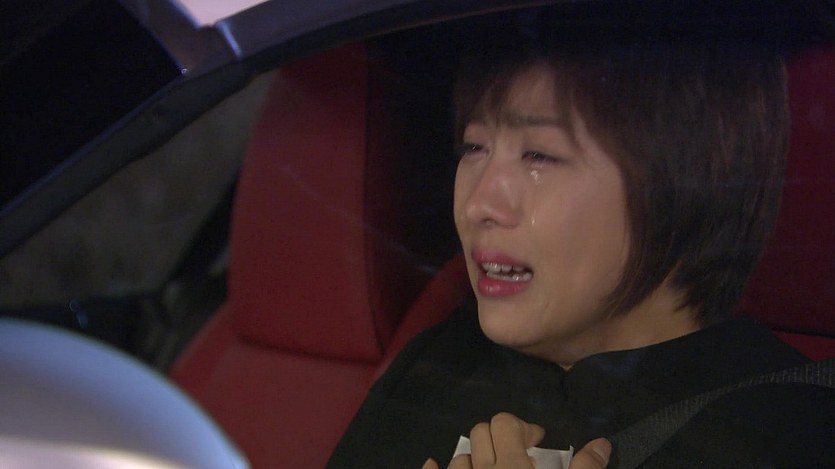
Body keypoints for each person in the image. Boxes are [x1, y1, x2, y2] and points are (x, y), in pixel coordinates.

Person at [326, 15, 835, 469]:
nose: (479, 203)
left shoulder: (794, 435)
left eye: (539, 155)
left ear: (692, 181)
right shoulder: (435, 366)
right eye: (473, 146)